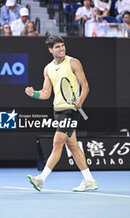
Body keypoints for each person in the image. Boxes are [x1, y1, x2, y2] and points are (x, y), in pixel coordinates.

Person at [25, 36, 98, 192]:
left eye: (62, 46)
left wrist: (80, 100)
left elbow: (85, 85)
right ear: (51, 50)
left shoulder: (73, 62)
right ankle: (89, 180)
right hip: (58, 110)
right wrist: (34, 94)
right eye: (57, 47)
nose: (61, 49)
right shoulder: (48, 69)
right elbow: (46, 93)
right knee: (72, 145)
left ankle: (41, 179)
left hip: (70, 110)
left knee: (57, 142)